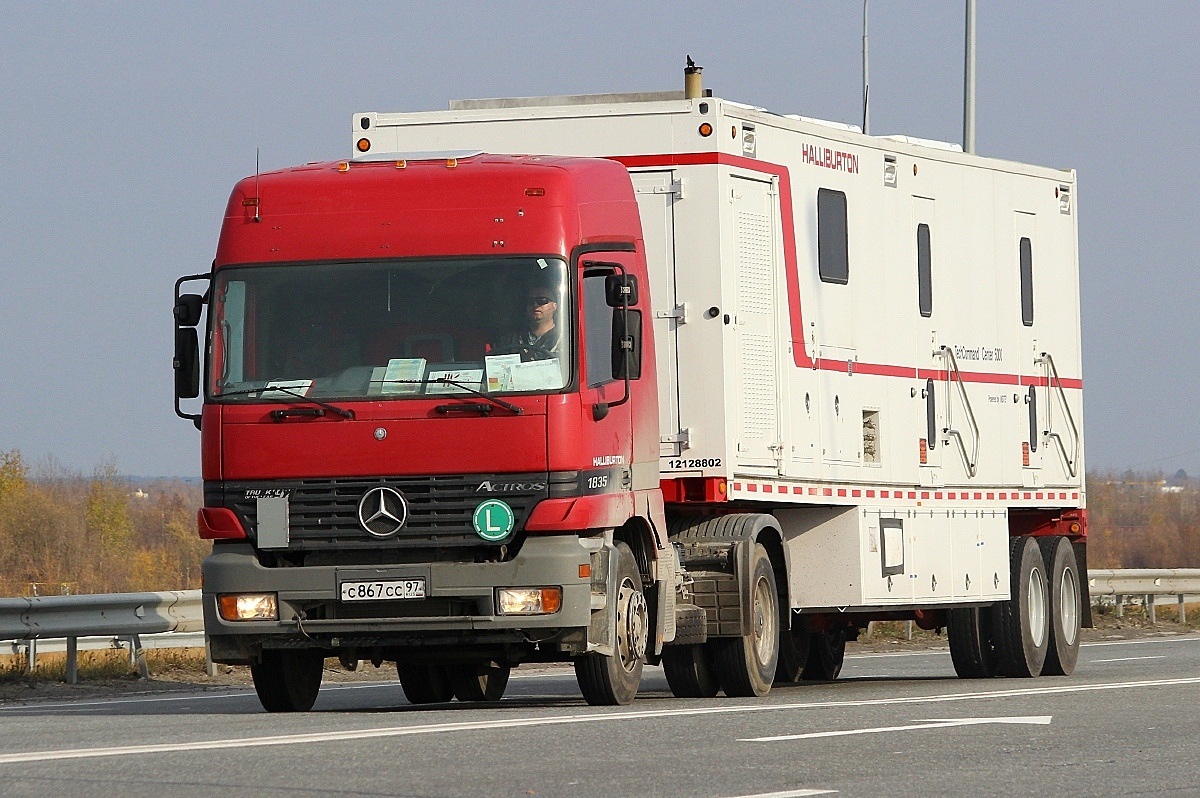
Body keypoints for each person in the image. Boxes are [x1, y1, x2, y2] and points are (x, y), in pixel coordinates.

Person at [495, 279, 562, 360]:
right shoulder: (509, 340)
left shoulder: (566, 339)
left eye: (542, 300)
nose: (535, 305)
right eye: (531, 301)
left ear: (555, 305)